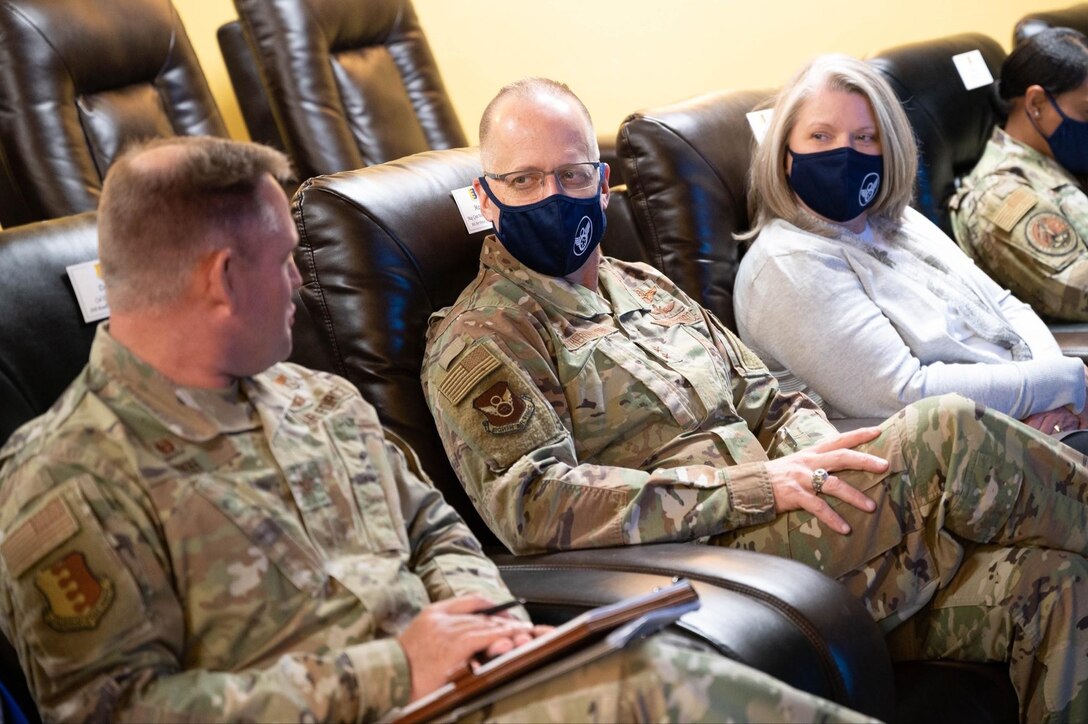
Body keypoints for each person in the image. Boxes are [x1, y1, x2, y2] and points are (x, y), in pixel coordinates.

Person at [0, 136, 875, 724]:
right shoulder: (66, 480)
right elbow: (117, 711)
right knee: (669, 694)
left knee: (662, 678)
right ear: (225, 279)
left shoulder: (318, 400)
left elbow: (435, 528)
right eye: (284, 263)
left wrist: (485, 621)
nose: (301, 286)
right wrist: (390, 672)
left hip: (474, 689)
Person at [421, 76, 1088, 722]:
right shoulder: (482, 338)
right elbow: (536, 504)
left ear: (601, 182)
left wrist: (818, 460)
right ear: (486, 197)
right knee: (944, 432)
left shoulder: (646, 285)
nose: (553, 194)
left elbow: (774, 396)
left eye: (572, 174)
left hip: (806, 525)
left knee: (1057, 585)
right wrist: (747, 487)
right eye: (524, 180)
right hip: (710, 559)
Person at [731, 54, 1088, 435]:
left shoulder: (895, 220)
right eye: (821, 136)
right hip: (950, 456)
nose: (845, 153)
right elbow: (903, 393)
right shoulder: (787, 265)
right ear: (785, 153)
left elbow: (1002, 305)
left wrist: (1058, 393)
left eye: (865, 137)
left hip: (1032, 417)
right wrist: (1057, 385)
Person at [952, 27, 1088, 322]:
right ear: (1036, 104)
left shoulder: (1063, 162)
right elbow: (1077, 292)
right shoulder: (1000, 196)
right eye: (1086, 112)